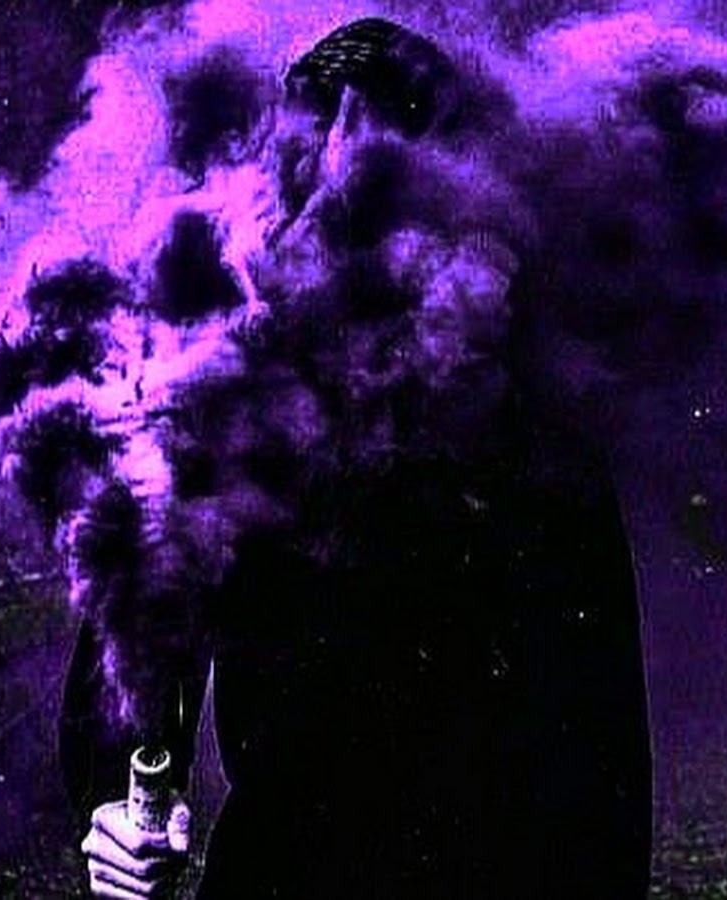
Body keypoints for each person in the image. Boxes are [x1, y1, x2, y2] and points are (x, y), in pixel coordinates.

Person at [60, 18, 653, 899]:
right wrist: (119, 807)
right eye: (318, 192)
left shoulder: (540, 438)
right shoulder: (218, 407)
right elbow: (131, 673)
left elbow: (603, 769)